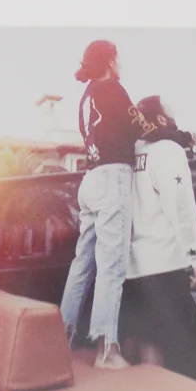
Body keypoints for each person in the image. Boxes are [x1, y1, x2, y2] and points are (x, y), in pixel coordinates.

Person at [58, 39, 143, 369]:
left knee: (82, 263)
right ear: (109, 60)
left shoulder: (86, 97)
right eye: (117, 58)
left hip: (90, 179)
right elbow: (141, 127)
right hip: (112, 178)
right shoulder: (115, 91)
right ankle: (107, 351)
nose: (120, 64)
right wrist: (180, 135)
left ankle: (59, 340)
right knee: (112, 266)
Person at [121, 96, 196, 377]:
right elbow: (179, 206)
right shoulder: (169, 152)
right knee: (154, 345)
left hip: (130, 266)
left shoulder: (130, 152)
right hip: (161, 266)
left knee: (132, 342)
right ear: (160, 118)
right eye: (169, 112)